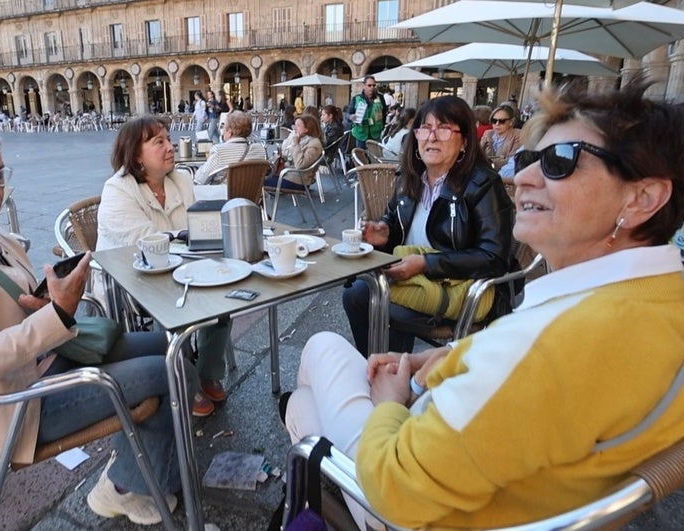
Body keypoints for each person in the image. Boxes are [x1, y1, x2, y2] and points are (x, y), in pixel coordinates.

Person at [284, 78, 684, 530]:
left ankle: (309, 489)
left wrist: (390, 405)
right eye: (532, 158)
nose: (524, 176)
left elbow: (395, 488)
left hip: (419, 505)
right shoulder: (660, 302)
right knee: (342, 339)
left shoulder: (546, 345)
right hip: (515, 486)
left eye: (560, 162)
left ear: (643, 197)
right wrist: (458, 354)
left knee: (312, 370)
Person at [0, 112, 186, 526]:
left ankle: (141, 468)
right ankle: (123, 486)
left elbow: (10, 308)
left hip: (48, 359)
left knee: (171, 347)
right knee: (165, 371)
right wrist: (59, 313)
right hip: (16, 404)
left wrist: (46, 300)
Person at [342, 96, 515, 357]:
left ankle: (393, 377)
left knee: (373, 298)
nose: (432, 137)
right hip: (412, 275)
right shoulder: (408, 179)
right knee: (355, 291)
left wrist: (426, 264)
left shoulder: (483, 185)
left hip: (459, 287)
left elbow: (493, 257)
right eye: (425, 127)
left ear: (465, 141)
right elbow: (396, 228)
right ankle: (380, 369)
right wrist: (384, 233)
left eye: (444, 128)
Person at [96, 115, 229, 417]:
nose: (171, 147)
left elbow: (200, 227)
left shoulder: (181, 179)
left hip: (182, 268)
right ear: (136, 155)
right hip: (130, 283)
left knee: (225, 293)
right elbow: (147, 243)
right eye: (159, 142)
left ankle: (207, 372)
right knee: (170, 302)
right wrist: (188, 238)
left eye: (169, 139)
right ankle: (184, 379)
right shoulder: (118, 189)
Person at [193, 111, 267, 185]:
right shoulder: (260, 149)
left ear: (229, 132)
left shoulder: (219, 151)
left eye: (223, 127)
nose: (222, 131)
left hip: (224, 195)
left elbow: (200, 179)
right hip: (252, 195)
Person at [264, 114, 323, 192]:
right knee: (258, 174)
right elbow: (285, 153)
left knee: (257, 182)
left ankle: (257, 203)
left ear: (307, 129)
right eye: (294, 125)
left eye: (298, 126)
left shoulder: (314, 144)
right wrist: (290, 139)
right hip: (286, 174)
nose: (294, 128)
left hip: (297, 181)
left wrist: (296, 144)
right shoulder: (299, 138)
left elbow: (300, 164)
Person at [347, 75, 387, 149]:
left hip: (375, 134)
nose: (372, 87)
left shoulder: (380, 98)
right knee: (361, 157)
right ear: (364, 86)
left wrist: (381, 127)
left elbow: (384, 113)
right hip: (361, 135)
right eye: (369, 85)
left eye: (374, 85)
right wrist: (351, 117)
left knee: (374, 158)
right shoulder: (356, 98)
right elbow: (348, 113)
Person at [481, 104, 522, 171]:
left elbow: (511, 161)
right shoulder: (488, 133)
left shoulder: (518, 135)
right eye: (494, 121)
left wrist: (490, 164)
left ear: (511, 122)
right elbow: (477, 152)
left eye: (502, 121)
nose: (497, 124)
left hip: (504, 175)